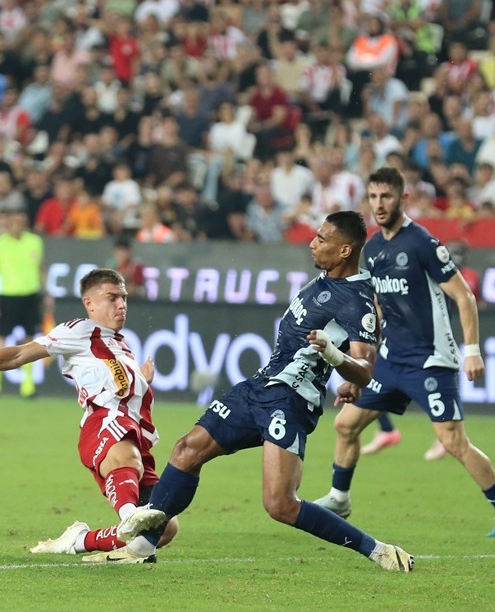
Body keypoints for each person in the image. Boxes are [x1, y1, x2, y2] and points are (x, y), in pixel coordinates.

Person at [109, 211, 415, 572]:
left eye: (322, 238)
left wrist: (335, 357)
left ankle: (375, 549)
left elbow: (365, 370)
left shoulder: (358, 300)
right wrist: (343, 373)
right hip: (259, 387)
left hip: (291, 400)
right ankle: (143, 546)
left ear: (345, 250)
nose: (312, 243)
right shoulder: (324, 280)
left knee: (280, 504)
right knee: (187, 449)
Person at [311, 168, 495, 538]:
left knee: (452, 441)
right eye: (373, 197)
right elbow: (379, 307)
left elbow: (464, 295)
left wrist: (472, 350)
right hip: (392, 360)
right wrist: (365, 359)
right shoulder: (374, 248)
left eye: (386, 197)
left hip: (430, 359)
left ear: (403, 199)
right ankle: (339, 497)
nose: (379, 205)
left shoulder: (422, 243)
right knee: (346, 424)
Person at [0, 269, 179, 560]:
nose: (121, 304)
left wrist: (142, 380)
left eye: (124, 298)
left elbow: (120, 388)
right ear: (89, 303)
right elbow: (17, 355)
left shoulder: (120, 346)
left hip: (135, 433)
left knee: (164, 529)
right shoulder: (78, 331)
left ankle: (78, 541)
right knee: (129, 465)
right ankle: (129, 515)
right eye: (112, 297)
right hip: (105, 423)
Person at [0, 209, 53, 397]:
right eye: (15, 221)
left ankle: (27, 386)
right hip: (7, 297)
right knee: (0, 338)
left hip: (31, 296)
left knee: (30, 340)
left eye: (22, 222)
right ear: (8, 223)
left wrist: (47, 293)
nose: (18, 225)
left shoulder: (35, 242)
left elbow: (41, 269)